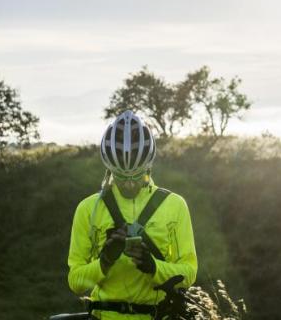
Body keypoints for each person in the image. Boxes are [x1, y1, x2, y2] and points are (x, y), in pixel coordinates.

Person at [67, 110, 197, 320]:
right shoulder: (87, 209)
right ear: (109, 170)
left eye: (137, 175)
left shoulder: (175, 206)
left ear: (148, 167)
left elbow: (189, 273)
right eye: (120, 176)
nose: (129, 183)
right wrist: (104, 262)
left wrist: (154, 267)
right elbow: (75, 281)